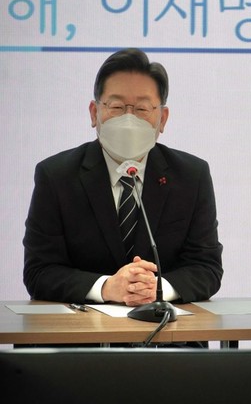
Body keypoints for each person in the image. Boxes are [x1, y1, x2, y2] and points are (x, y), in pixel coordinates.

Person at [23, 48, 223, 309]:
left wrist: (157, 289)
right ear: (94, 113)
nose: (129, 119)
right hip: (82, 329)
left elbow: (207, 268)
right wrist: (107, 287)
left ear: (162, 118)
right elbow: (39, 272)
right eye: (117, 107)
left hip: (167, 328)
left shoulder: (191, 176)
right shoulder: (56, 176)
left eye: (141, 108)